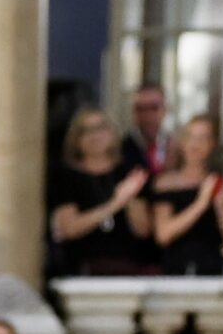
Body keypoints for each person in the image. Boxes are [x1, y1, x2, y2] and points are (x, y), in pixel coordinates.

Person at [47, 107, 153, 277]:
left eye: (100, 128)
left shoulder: (127, 171)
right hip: (82, 269)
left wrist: (129, 197)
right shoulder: (65, 176)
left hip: (128, 267)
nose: (95, 136)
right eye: (86, 131)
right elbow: (69, 228)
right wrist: (115, 203)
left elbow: (143, 229)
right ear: (76, 139)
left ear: (112, 133)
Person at [145, 112, 223, 277]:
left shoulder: (220, 183)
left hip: (213, 272)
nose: (196, 144)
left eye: (203, 138)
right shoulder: (165, 183)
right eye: (191, 137)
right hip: (175, 272)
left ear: (213, 144)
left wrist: (222, 205)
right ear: (182, 141)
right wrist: (201, 203)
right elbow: (163, 234)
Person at [118, 82, 171, 177]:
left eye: (154, 108)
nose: (147, 115)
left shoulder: (177, 147)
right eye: (140, 109)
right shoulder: (119, 151)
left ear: (165, 109)